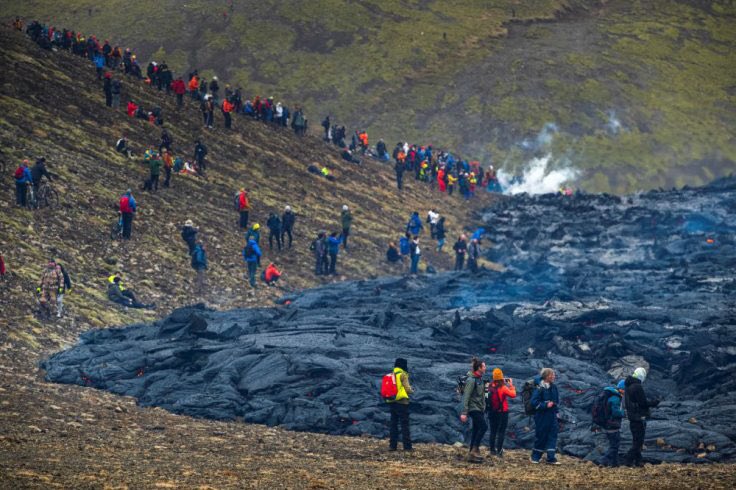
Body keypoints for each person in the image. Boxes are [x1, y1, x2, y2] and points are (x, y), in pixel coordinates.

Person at [624, 367, 660, 467]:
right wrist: (654, 403)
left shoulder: (628, 386)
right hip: (639, 417)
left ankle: (638, 461)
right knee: (638, 441)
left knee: (636, 440)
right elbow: (643, 403)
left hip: (632, 417)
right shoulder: (637, 386)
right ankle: (628, 459)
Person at [530, 367, 560, 464]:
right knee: (541, 436)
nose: (554, 376)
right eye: (552, 375)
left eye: (554, 374)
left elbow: (556, 401)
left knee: (553, 435)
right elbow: (534, 402)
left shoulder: (554, 387)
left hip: (552, 416)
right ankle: (535, 457)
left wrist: (557, 412)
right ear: (546, 376)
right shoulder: (539, 387)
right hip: (541, 416)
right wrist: (545, 405)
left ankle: (551, 458)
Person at [461, 357, 487, 463]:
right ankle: (475, 449)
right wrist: (464, 412)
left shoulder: (479, 379)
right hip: (473, 408)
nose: (485, 368)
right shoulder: (471, 380)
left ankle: (471, 453)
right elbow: (466, 396)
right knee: (484, 427)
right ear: (479, 368)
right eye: (484, 366)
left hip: (479, 408)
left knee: (476, 429)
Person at [486, 369, 516, 456]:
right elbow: (513, 395)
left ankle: (492, 450)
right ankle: (499, 451)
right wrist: (511, 386)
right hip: (502, 412)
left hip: (492, 412)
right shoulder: (503, 388)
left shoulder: (489, 386)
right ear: (501, 377)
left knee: (493, 431)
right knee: (501, 432)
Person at [596, 380, 626, 467]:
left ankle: (615, 464)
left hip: (607, 424)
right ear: (621, 389)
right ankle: (603, 460)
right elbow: (615, 412)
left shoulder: (612, 395)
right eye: (625, 390)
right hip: (612, 425)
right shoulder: (616, 398)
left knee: (615, 444)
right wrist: (623, 413)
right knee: (614, 446)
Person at [387, 357, 414, 452]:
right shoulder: (402, 375)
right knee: (404, 424)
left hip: (392, 401)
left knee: (393, 424)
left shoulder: (391, 374)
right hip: (402, 402)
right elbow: (407, 389)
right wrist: (412, 390)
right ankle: (407, 447)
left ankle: (392, 446)